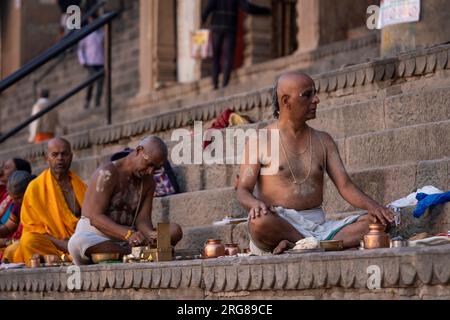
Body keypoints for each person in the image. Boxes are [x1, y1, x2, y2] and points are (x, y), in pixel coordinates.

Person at [236, 72, 395, 255]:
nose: (316, 100)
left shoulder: (323, 141)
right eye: (307, 95)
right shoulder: (259, 140)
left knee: (377, 223)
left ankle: (302, 245)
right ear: (286, 101)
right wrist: (255, 204)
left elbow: (345, 186)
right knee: (259, 223)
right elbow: (242, 190)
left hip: (320, 226)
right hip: (279, 222)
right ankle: (314, 244)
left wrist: (373, 206)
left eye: (315, 93)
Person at [68, 136, 183, 265]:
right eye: (149, 164)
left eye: (155, 168)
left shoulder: (148, 181)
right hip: (97, 236)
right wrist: (127, 234)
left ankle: (133, 252)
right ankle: (131, 253)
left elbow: (142, 220)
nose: (150, 171)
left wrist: (150, 235)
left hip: (130, 238)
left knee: (174, 230)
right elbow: (94, 217)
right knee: (77, 242)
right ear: (139, 151)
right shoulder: (107, 173)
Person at [13, 138, 87, 266]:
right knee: (28, 241)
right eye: (55, 154)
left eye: (64, 154)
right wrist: (63, 244)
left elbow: (90, 220)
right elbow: (32, 228)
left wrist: (74, 241)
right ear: (47, 158)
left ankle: (63, 257)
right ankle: (66, 256)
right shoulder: (35, 187)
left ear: (71, 156)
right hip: (53, 243)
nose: (60, 158)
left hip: (77, 241)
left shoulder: (81, 187)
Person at [202, 0, 271, 90]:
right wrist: (265, 11)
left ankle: (215, 85)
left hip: (217, 28)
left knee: (215, 57)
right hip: (230, 29)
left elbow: (207, 9)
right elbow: (247, 7)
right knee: (228, 56)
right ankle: (224, 84)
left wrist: (203, 19)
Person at [0, 171, 36, 263]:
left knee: (10, 251)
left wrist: (8, 242)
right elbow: (8, 227)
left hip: (32, 243)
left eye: (18, 198)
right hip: (16, 242)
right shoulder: (17, 205)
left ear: (29, 190)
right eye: (13, 198)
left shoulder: (38, 203)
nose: (15, 201)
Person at [77, 12, 104, 109]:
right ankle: (87, 100)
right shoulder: (86, 33)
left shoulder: (101, 32)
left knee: (100, 81)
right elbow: (81, 48)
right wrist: (82, 61)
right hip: (90, 61)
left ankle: (97, 102)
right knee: (91, 81)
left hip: (100, 60)